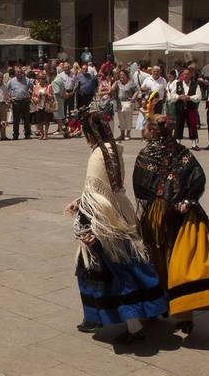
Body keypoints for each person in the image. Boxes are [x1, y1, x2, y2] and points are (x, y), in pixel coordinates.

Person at [67, 105, 167, 343]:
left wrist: (85, 222)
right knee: (124, 264)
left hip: (104, 219)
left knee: (108, 269)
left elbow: (96, 193)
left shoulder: (97, 154)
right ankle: (101, 316)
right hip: (119, 211)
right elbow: (108, 188)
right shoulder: (113, 148)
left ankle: (131, 325)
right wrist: (81, 200)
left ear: (89, 133)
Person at [134, 114, 209, 334]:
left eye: (146, 127)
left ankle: (156, 306)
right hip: (182, 214)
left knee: (156, 261)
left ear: (153, 131)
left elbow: (140, 187)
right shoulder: (183, 152)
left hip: (156, 216)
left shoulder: (146, 153)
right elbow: (198, 178)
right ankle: (184, 315)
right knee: (178, 261)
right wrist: (187, 200)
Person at [168, 69, 202, 151]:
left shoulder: (195, 84)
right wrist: (179, 97)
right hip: (180, 107)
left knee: (192, 125)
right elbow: (171, 96)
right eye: (184, 74)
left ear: (190, 75)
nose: (186, 76)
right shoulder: (177, 84)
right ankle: (177, 143)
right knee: (179, 125)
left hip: (191, 108)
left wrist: (189, 97)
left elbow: (199, 97)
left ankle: (194, 144)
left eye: (187, 74)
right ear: (182, 75)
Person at [7, 66, 33, 140]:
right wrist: (9, 98)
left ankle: (27, 134)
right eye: (17, 72)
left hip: (25, 101)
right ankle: (15, 135)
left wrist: (30, 95)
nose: (19, 73)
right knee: (16, 120)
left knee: (26, 119)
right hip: (16, 102)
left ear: (22, 73)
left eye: (20, 72)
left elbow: (32, 88)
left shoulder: (27, 80)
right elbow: (6, 90)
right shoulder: (11, 81)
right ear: (15, 73)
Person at [111, 69, 136, 140]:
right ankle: (122, 134)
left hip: (128, 103)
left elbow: (136, 91)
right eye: (120, 75)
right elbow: (111, 90)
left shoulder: (131, 83)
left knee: (128, 119)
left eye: (123, 75)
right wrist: (115, 83)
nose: (121, 76)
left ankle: (128, 134)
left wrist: (133, 98)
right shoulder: (117, 83)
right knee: (121, 120)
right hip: (119, 104)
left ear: (126, 76)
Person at [32, 72, 54, 140]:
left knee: (46, 120)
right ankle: (41, 133)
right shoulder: (36, 86)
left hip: (46, 105)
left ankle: (46, 134)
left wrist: (47, 95)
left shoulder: (49, 86)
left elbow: (52, 96)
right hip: (39, 105)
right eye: (40, 78)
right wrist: (35, 99)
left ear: (45, 79)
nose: (41, 80)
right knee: (39, 121)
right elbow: (33, 96)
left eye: (43, 78)